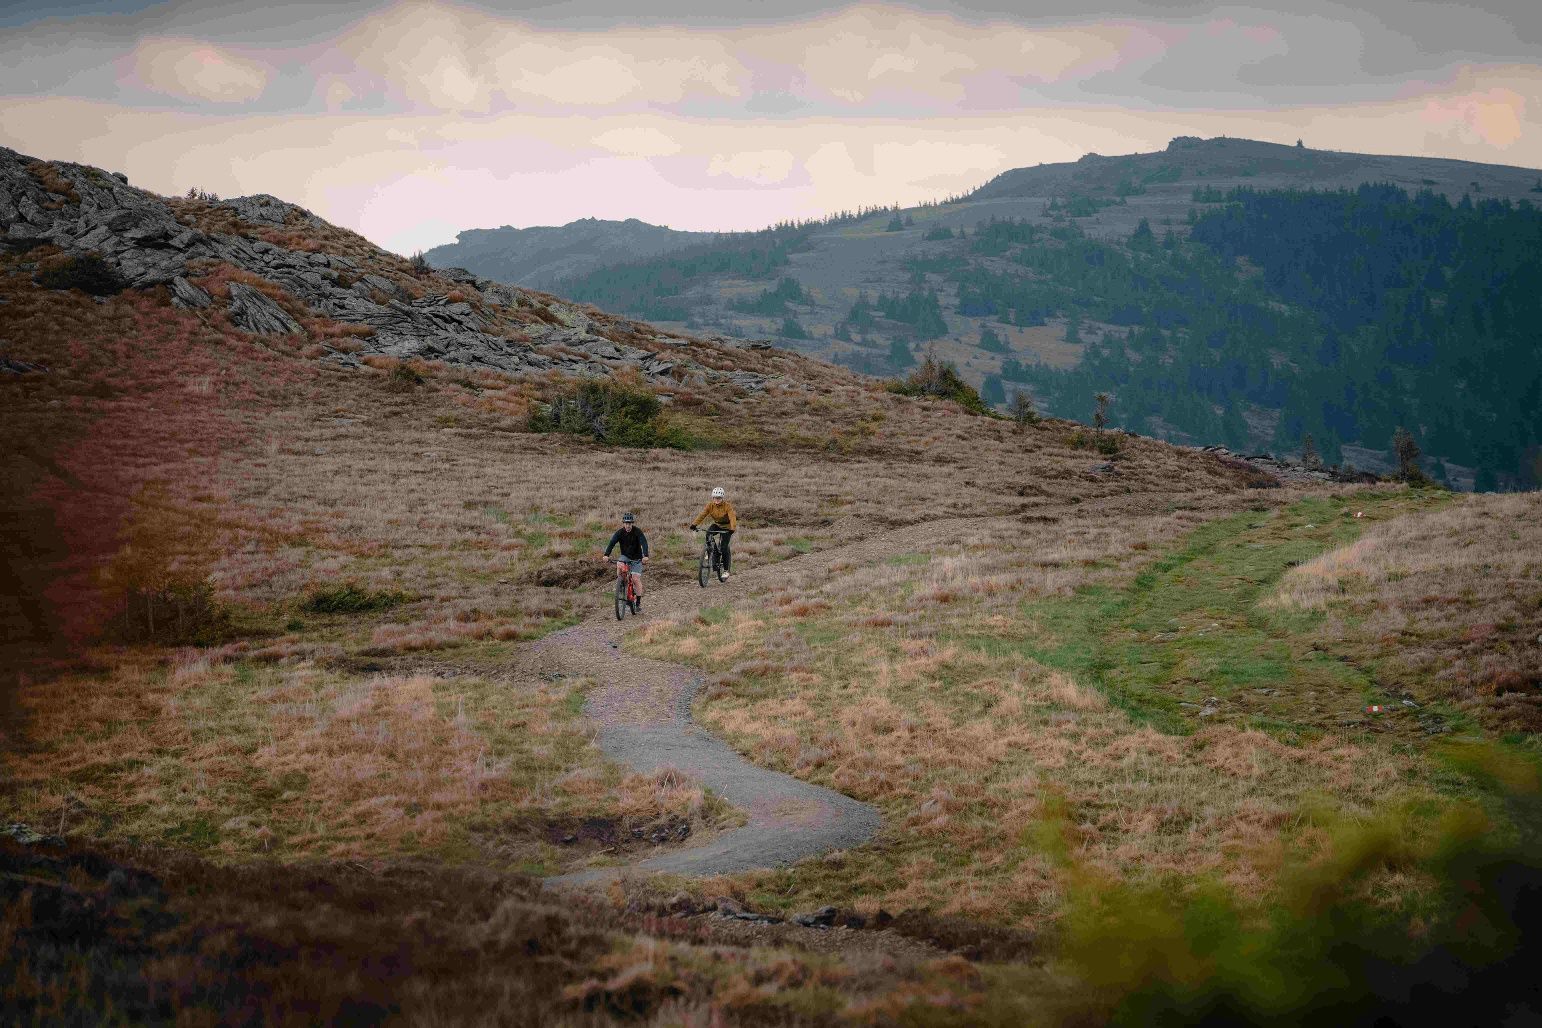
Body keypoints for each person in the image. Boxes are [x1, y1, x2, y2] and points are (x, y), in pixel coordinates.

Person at [688, 486, 738, 579]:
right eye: (715, 498)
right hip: (717, 525)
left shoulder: (727, 506)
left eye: (719, 498)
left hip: (727, 528)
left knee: (724, 548)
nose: (717, 500)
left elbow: (732, 517)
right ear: (713, 498)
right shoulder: (710, 505)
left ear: (722, 498)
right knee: (708, 533)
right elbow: (702, 514)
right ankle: (711, 550)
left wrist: (732, 528)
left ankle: (726, 570)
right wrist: (694, 524)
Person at [601, 512, 648, 606]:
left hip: (637, 558)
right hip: (625, 556)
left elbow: (644, 543)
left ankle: (638, 602)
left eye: (630, 523)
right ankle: (621, 583)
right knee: (619, 564)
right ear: (623, 524)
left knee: (635, 579)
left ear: (632, 524)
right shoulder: (619, 533)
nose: (628, 526)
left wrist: (645, 555)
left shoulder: (637, 531)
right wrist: (606, 554)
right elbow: (611, 543)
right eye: (626, 523)